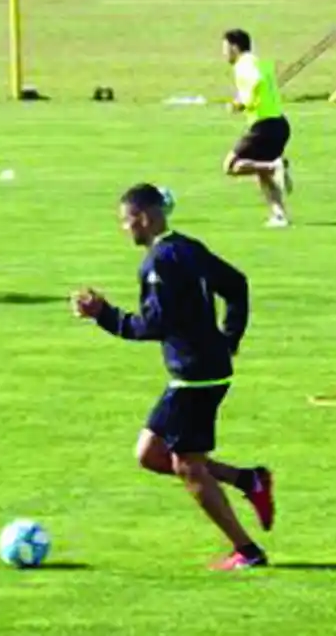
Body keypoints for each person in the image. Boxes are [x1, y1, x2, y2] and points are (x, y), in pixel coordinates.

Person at [72, 183, 275, 570]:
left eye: (126, 221)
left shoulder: (157, 263)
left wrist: (104, 315)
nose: (125, 229)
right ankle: (249, 480)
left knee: (187, 466)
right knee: (150, 454)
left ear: (144, 217)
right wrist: (228, 338)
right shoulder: (188, 247)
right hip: (203, 370)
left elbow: (152, 325)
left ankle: (248, 551)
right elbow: (236, 284)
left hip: (193, 377)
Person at [222, 29, 294, 228]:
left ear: (234, 47)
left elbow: (255, 82)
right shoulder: (260, 62)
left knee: (231, 166)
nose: (224, 53)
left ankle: (275, 166)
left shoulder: (244, 64)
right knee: (260, 170)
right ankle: (279, 215)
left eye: (225, 48)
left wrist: (243, 103)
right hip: (279, 123)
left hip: (264, 125)